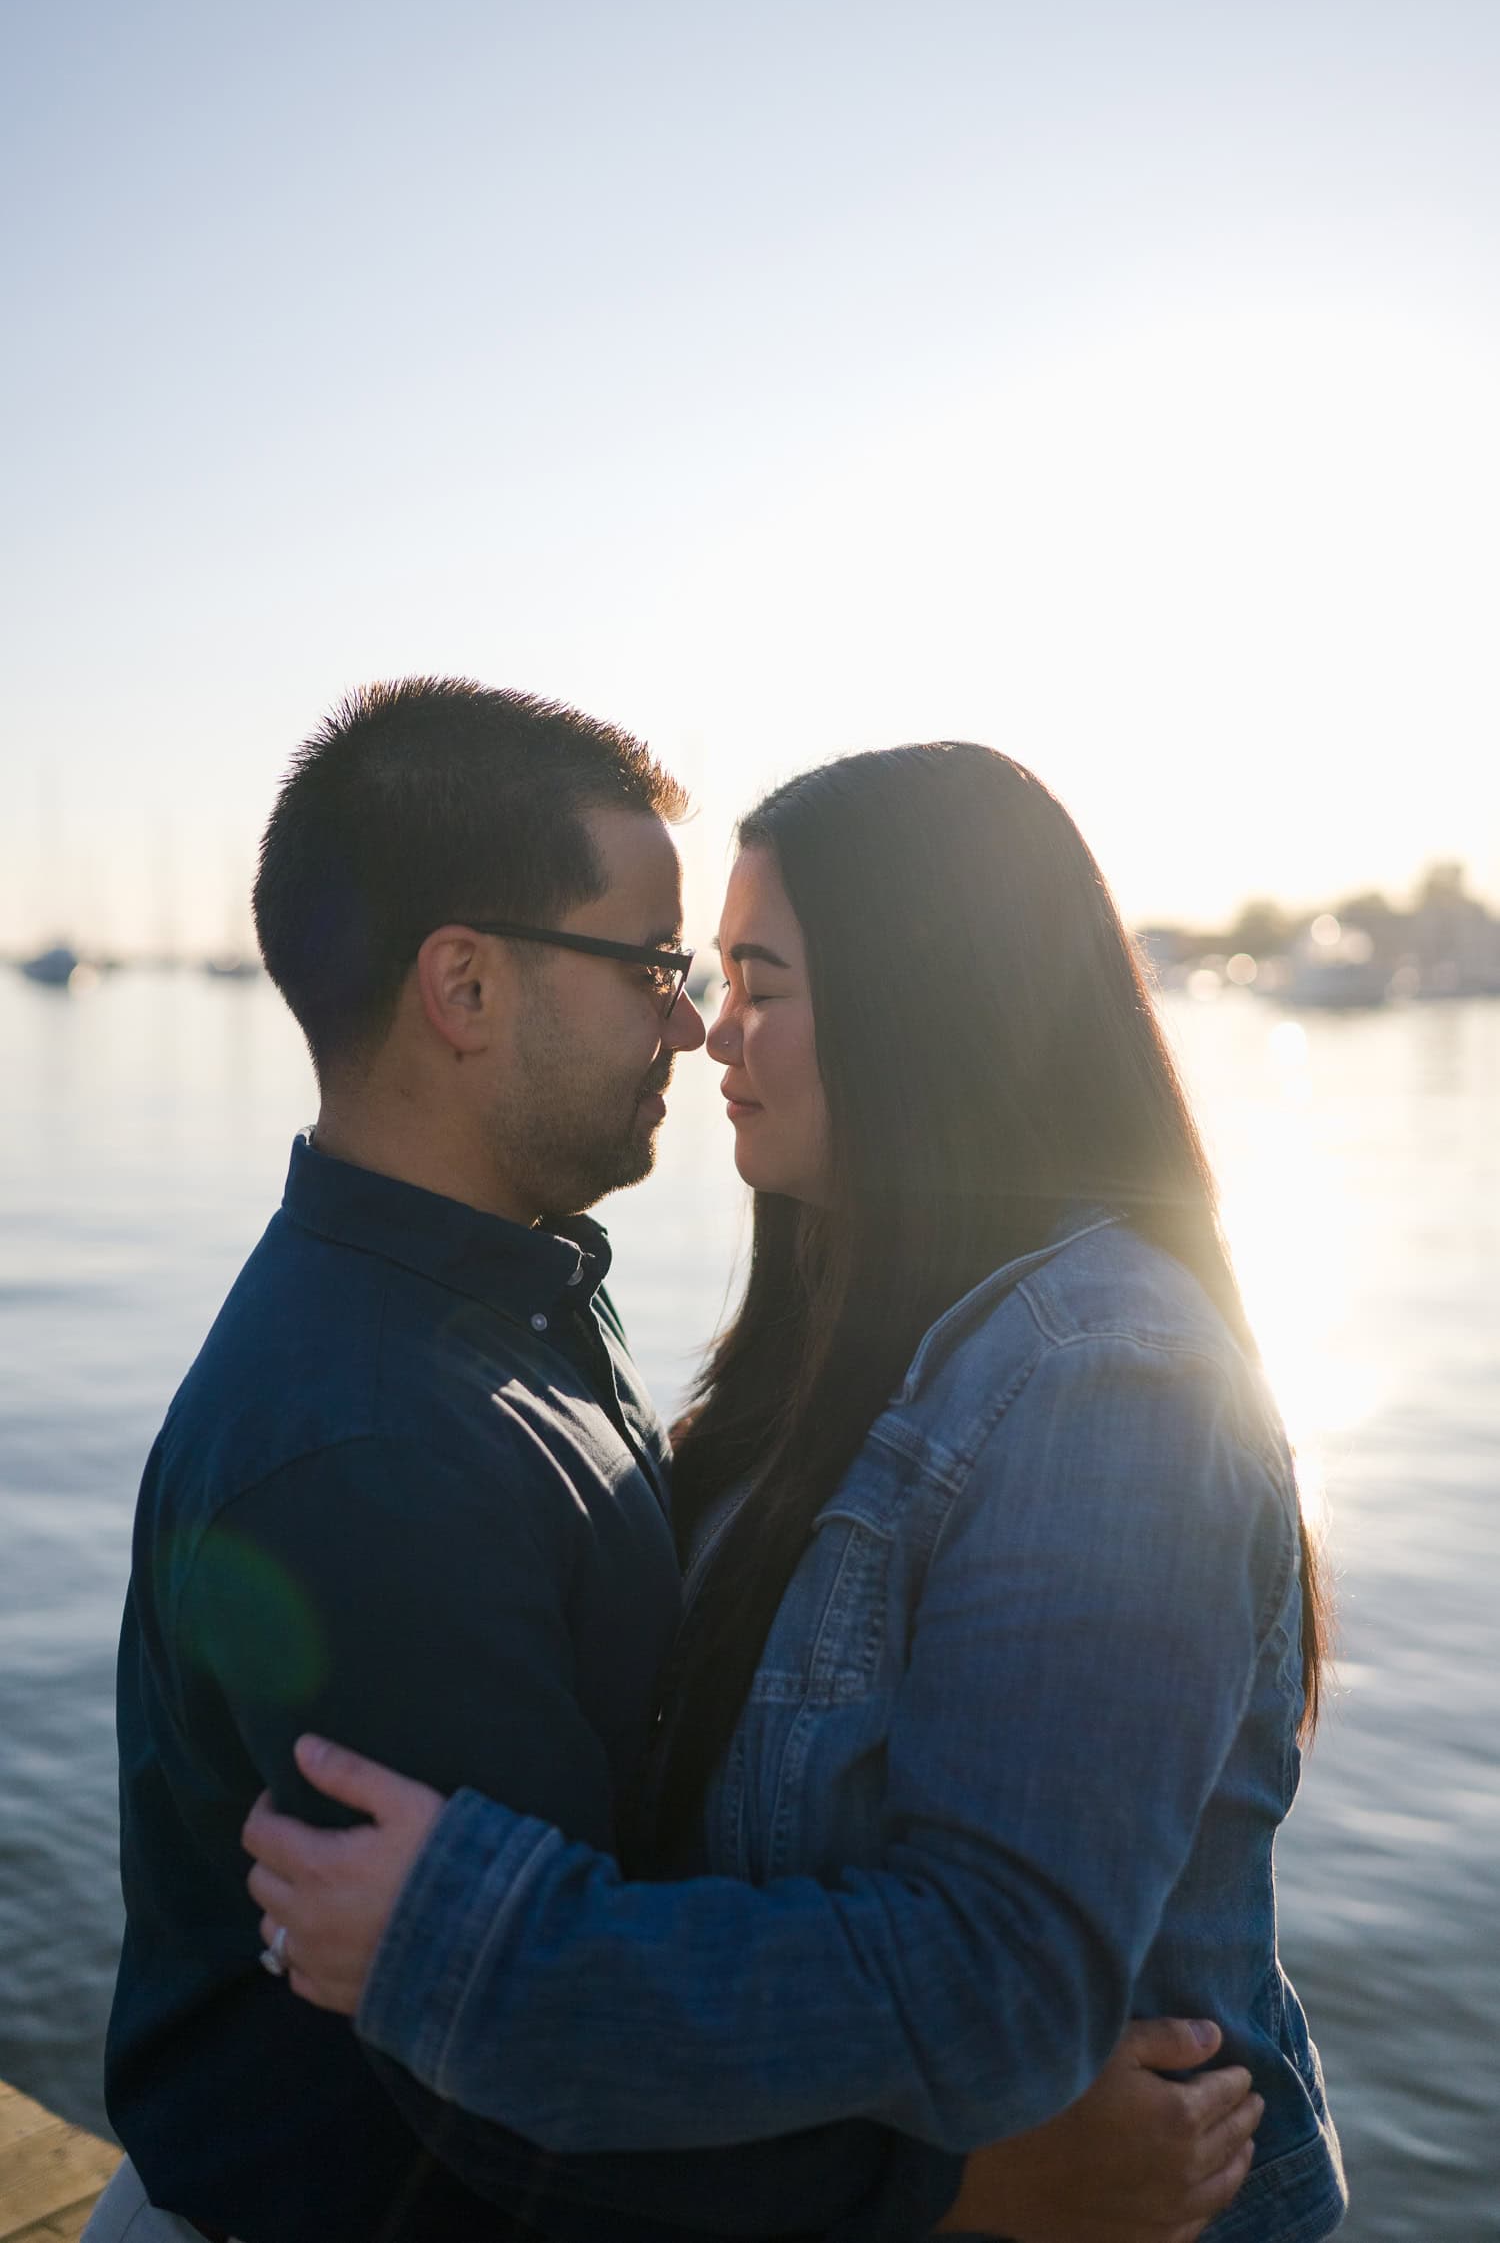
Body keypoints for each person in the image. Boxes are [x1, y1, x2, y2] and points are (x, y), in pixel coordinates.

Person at [91, 687, 1255, 2243]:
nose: (690, 1016)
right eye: (655, 963)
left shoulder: (528, 1305)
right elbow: (502, 2133)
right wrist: (963, 2188)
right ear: (467, 986)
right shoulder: (376, 1447)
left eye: (728, 973)